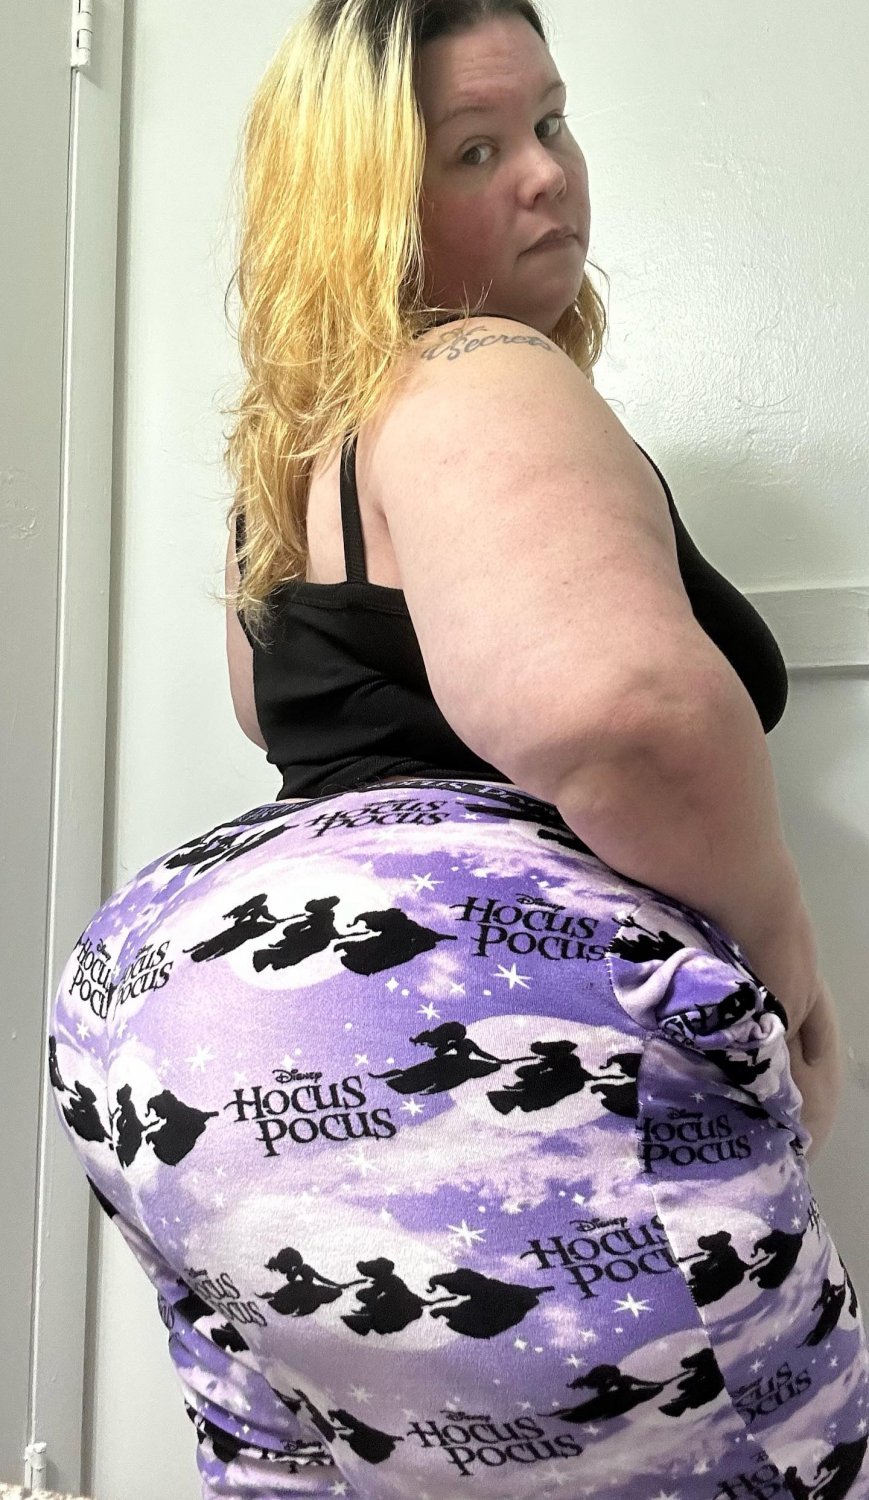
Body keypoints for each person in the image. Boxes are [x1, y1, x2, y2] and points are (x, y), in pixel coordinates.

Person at [49, 2, 860, 1497]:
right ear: (365, 199)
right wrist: (786, 966)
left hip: (162, 1053)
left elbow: (292, 741)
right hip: (468, 1033)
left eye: (548, 122)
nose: (547, 173)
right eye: (472, 150)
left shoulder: (288, 468)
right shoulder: (480, 363)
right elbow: (616, 713)